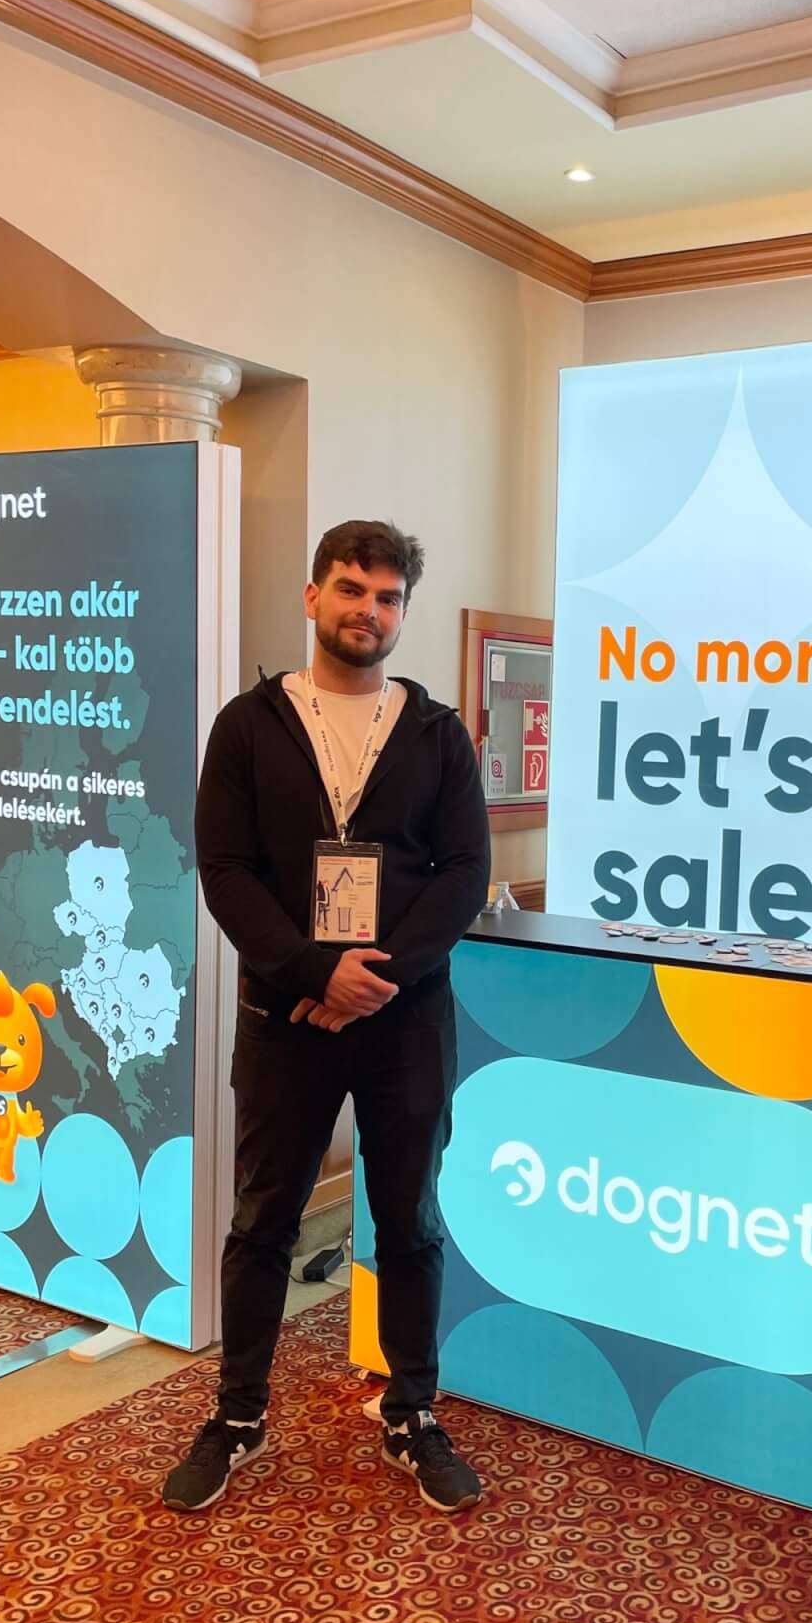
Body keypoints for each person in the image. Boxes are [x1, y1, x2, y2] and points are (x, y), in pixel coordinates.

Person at [163, 519, 490, 1516]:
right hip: (286, 1012)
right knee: (264, 1218)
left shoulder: (436, 733)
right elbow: (226, 868)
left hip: (404, 1018)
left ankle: (412, 1411)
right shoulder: (249, 725)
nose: (369, 610)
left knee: (410, 1219)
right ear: (313, 597)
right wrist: (313, 971)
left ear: (402, 613)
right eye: (352, 588)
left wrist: (373, 977)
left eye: (388, 597)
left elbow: (464, 872)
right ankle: (237, 1414)